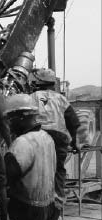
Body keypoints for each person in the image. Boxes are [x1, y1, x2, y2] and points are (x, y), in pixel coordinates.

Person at [31, 68, 81, 205]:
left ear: (38, 82)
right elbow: (73, 122)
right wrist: (75, 142)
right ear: (53, 84)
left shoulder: (33, 97)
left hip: (38, 137)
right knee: (58, 169)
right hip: (59, 138)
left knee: (37, 170)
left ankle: (38, 202)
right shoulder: (61, 98)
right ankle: (58, 203)